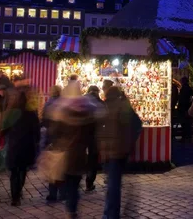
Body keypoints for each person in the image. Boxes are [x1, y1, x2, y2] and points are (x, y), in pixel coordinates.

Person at [46, 81, 100, 218]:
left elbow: (53, 132)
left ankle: (67, 203)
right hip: (79, 154)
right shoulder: (87, 111)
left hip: (64, 153)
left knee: (64, 180)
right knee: (74, 184)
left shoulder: (61, 110)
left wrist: (54, 143)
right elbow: (92, 133)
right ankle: (72, 209)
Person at [99, 82, 140, 219]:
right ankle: (110, 212)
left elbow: (101, 129)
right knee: (113, 183)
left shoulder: (106, 107)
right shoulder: (123, 106)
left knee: (112, 185)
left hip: (111, 151)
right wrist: (129, 143)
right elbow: (137, 125)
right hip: (119, 150)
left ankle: (110, 214)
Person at [3, 90, 40, 206]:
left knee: (14, 172)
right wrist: (36, 142)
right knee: (23, 170)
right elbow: (36, 131)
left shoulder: (11, 113)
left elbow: (4, 128)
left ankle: (15, 196)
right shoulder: (31, 114)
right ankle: (18, 190)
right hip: (27, 145)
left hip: (14, 145)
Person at [42, 86, 64, 202]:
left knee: (52, 167)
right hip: (61, 139)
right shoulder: (64, 104)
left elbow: (44, 120)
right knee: (61, 166)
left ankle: (52, 194)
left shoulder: (48, 104)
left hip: (51, 138)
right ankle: (62, 192)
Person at [85, 85, 103, 191]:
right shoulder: (100, 104)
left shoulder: (81, 102)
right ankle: (89, 182)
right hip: (95, 136)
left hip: (82, 135)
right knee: (93, 159)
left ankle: (75, 181)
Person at [177, 77, 193, 141]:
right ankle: (188, 136)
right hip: (187, 107)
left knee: (184, 123)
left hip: (183, 108)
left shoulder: (183, 89)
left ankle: (184, 137)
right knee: (187, 123)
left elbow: (181, 99)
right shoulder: (189, 88)